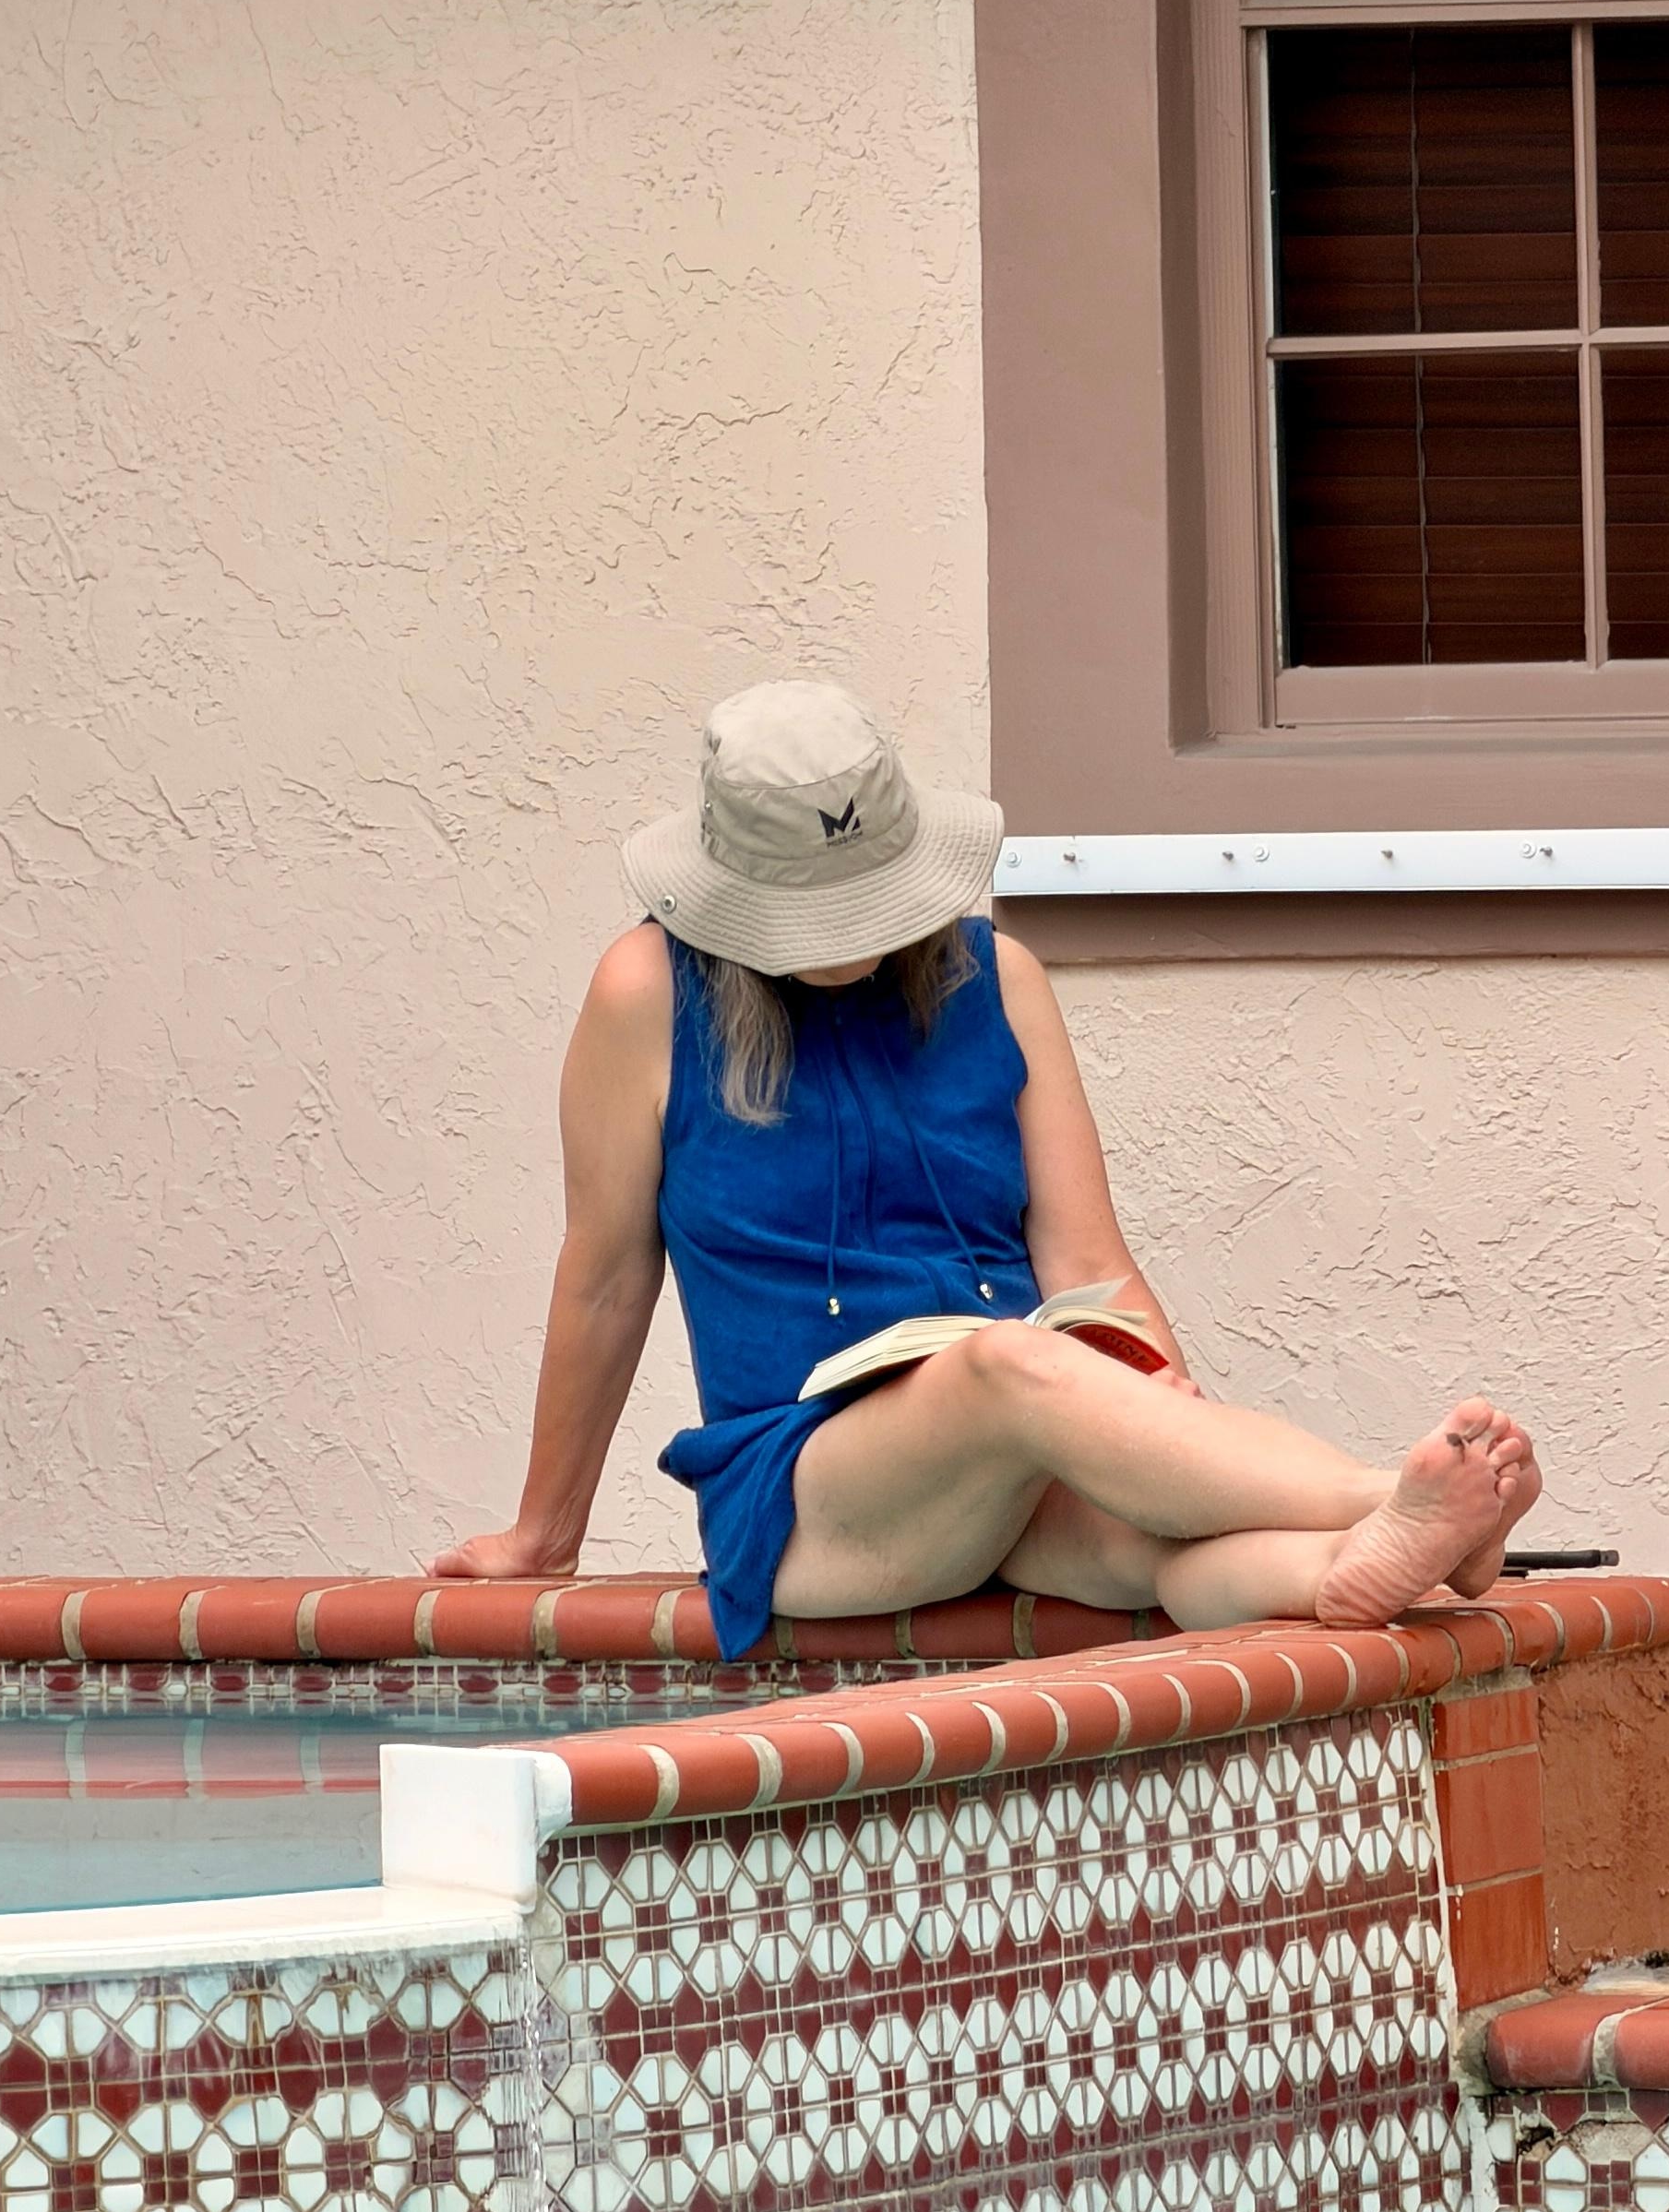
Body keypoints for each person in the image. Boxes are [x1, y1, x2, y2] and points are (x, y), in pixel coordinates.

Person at [431, 681, 1541, 1653]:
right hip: (809, 1492)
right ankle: (1379, 1493)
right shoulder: (645, 991)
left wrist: (1159, 1419)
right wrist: (544, 1534)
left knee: (1154, 1545)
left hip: (1010, 1447)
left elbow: (1087, 1259)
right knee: (1006, 1363)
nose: (849, 936)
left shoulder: (997, 976)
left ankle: (1372, 1556)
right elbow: (606, 1276)